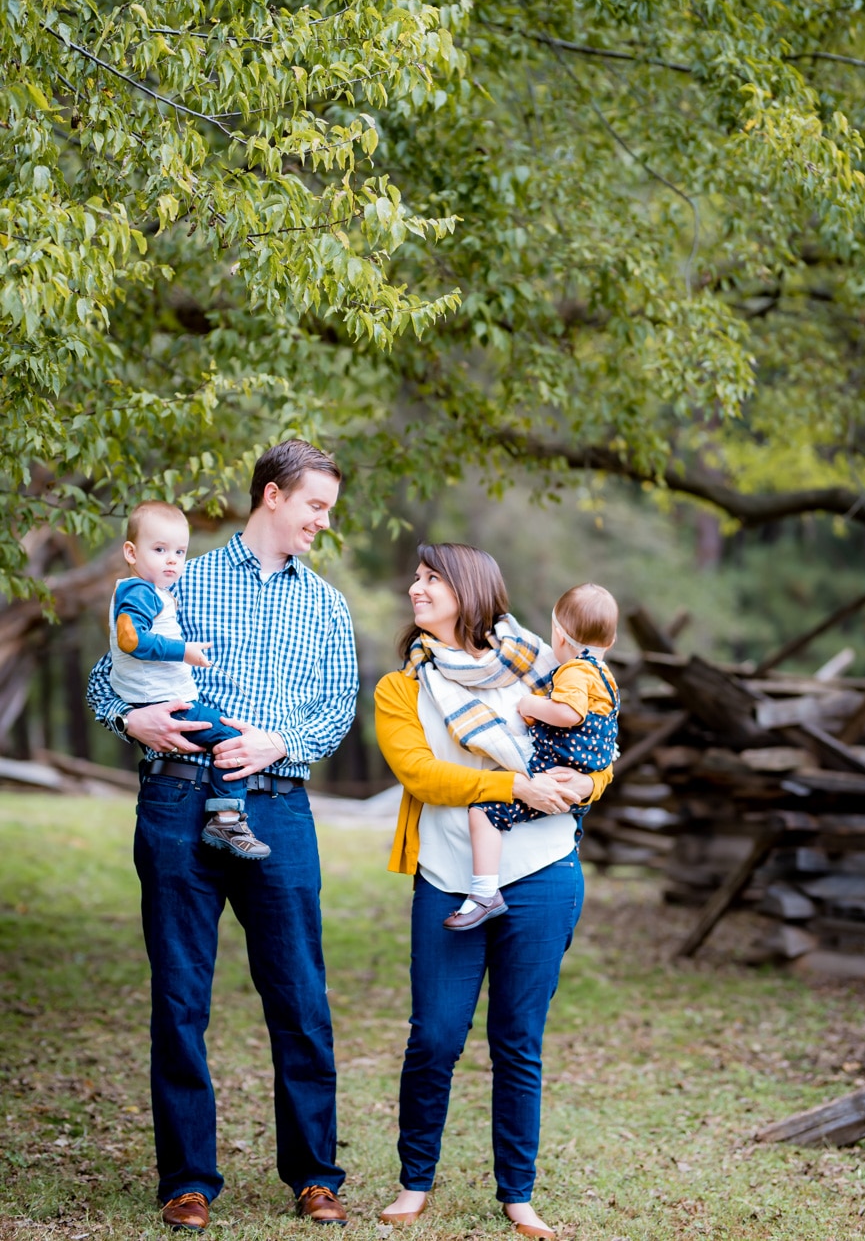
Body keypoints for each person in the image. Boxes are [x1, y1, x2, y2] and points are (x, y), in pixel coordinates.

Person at [87, 439, 359, 1232]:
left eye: (329, 510)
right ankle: (187, 1182)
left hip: (277, 806)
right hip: (177, 803)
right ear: (271, 496)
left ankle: (314, 1174)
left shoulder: (328, 604)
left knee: (301, 995)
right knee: (179, 997)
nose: (322, 521)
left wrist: (281, 742)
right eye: (314, 505)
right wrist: (127, 717)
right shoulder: (181, 576)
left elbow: (336, 710)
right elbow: (114, 674)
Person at [373, 543, 614, 1239]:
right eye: (415, 580)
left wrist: (585, 785)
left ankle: (518, 1194)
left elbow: (597, 745)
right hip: (451, 877)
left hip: (543, 871)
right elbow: (421, 775)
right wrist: (514, 785)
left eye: (429, 580)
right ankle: (415, 1181)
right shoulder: (403, 688)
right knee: (436, 1037)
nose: (414, 590)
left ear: (470, 590)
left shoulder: (545, 666)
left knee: (518, 1039)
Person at [445, 582, 619, 930]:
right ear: (610, 642)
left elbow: (569, 712)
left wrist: (530, 704)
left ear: (559, 636)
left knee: (483, 812)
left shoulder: (574, 670)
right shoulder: (606, 678)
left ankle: (483, 892)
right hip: (579, 775)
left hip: (556, 767)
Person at [109, 499, 270, 861]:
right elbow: (129, 639)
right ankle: (226, 819)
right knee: (231, 739)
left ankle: (225, 815)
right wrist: (184, 652)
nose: (172, 560)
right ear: (131, 553)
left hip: (163, 700)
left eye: (179, 552)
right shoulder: (139, 592)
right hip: (164, 705)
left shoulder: (153, 592)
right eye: (160, 549)